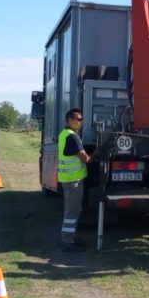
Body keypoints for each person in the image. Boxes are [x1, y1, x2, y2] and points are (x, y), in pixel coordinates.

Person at [58, 108, 90, 252]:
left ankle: (71, 236)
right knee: (72, 211)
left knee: (70, 210)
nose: (80, 122)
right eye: (78, 119)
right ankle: (68, 241)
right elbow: (83, 156)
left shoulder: (63, 134)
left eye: (81, 119)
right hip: (73, 180)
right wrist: (91, 158)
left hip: (68, 179)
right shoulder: (73, 136)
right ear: (69, 120)